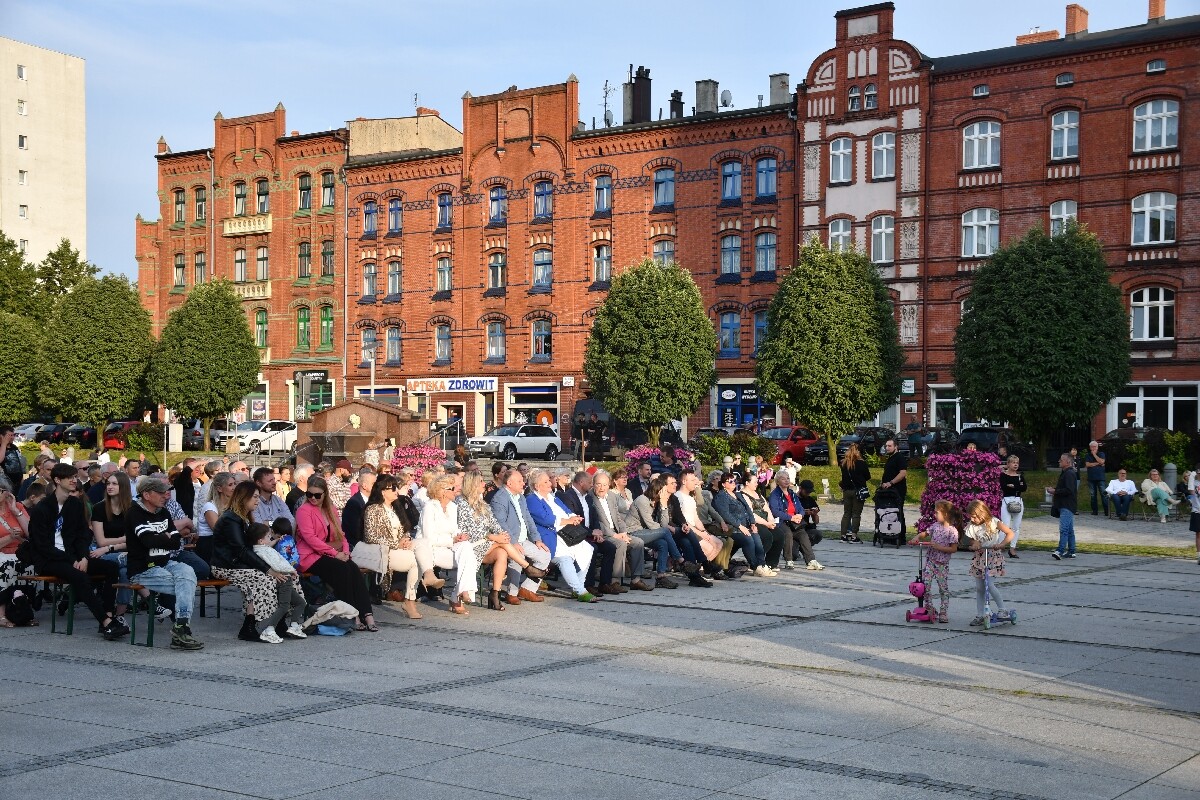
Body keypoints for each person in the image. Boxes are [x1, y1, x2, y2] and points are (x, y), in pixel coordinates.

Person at [26, 463, 127, 639]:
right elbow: (41, 545)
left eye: (75, 477)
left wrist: (83, 557)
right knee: (80, 576)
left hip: (74, 556)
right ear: (57, 480)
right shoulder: (42, 508)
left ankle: (109, 614)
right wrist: (72, 559)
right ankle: (105, 622)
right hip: (50, 560)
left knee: (111, 568)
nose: (75, 480)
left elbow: (83, 535)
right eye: (70, 478)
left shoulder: (74, 504)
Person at [213, 481, 300, 643]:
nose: (257, 501)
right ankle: (251, 626)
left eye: (258, 497)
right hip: (226, 565)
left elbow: (254, 548)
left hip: (241, 564)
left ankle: (280, 622)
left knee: (286, 576)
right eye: (254, 497)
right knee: (264, 579)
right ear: (243, 497)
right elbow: (241, 550)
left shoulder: (244, 517)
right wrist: (268, 569)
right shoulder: (231, 519)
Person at [124, 476, 204, 650]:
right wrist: (166, 537)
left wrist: (163, 537)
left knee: (188, 573)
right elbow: (147, 541)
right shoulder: (134, 513)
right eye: (161, 492)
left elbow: (176, 542)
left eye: (167, 491)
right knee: (185, 585)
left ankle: (180, 625)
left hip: (165, 563)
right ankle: (182, 630)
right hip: (142, 569)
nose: (166, 495)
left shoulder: (164, 512)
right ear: (146, 494)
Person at [295, 476, 378, 630]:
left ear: (325, 494)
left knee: (352, 568)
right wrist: (335, 553)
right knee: (343, 570)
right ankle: (353, 615)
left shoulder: (330, 509)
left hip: (329, 553)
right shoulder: (303, 510)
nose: (313, 498)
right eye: (309, 494)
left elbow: (341, 535)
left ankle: (367, 614)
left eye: (317, 495)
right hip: (310, 556)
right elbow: (310, 538)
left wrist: (345, 552)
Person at [457, 472, 547, 610]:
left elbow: (495, 523)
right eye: (481, 481)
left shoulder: (482, 503)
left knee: (502, 553)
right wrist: (496, 537)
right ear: (472, 484)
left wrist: (502, 534)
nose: (484, 484)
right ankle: (527, 567)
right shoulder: (462, 502)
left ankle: (495, 594)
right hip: (470, 545)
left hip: (486, 544)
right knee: (504, 544)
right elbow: (466, 530)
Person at [526, 469, 597, 602]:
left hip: (566, 533)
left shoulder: (553, 497)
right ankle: (580, 591)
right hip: (550, 536)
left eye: (549, 480)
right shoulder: (532, 499)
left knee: (587, 549)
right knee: (565, 558)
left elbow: (566, 510)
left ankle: (579, 586)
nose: (549, 483)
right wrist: (567, 521)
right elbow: (545, 519)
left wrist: (573, 517)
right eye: (546, 481)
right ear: (537, 486)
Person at [416, 475, 478, 614]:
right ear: (443, 491)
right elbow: (428, 538)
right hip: (430, 550)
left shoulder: (452, 507)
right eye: (452, 488)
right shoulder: (429, 508)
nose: (456, 490)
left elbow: (454, 530)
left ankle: (462, 591)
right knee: (468, 559)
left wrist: (459, 536)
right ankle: (459, 595)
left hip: (448, 546)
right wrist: (452, 540)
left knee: (467, 548)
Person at [490, 468, 553, 603]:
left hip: (523, 539)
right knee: (518, 556)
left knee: (545, 555)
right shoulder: (499, 498)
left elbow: (528, 519)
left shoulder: (520, 497)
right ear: (509, 483)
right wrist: (513, 542)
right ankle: (511, 593)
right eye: (519, 481)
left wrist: (537, 539)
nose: (523, 483)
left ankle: (527, 589)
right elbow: (500, 523)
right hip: (508, 540)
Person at [556, 471, 621, 594]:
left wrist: (598, 532)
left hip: (589, 534)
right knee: (593, 548)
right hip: (575, 535)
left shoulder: (587, 497)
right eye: (590, 482)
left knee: (610, 548)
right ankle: (588, 584)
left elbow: (594, 517)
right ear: (581, 482)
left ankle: (604, 583)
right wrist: (592, 533)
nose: (592, 485)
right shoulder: (568, 497)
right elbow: (573, 521)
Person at [590, 470, 652, 591]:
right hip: (603, 534)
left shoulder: (612, 496)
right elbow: (597, 523)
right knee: (620, 544)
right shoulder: (590, 498)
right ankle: (614, 581)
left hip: (618, 532)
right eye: (598, 484)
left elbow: (618, 518)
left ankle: (636, 580)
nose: (602, 488)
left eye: (605, 485)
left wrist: (623, 532)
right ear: (593, 484)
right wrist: (615, 535)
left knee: (638, 542)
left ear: (609, 485)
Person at [248, 522, 308, 638]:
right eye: (267, 537)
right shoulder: (262, 551)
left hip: (285, 577)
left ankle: (294, 626)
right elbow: (276, 563)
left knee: (301, 602)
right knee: (284, 606)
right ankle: (269, 629)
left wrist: (275, 540)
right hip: (283, 578)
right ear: (261, 541)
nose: (270, 539)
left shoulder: (261, 548)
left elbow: (269, 549)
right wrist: (291, 570)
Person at [963, 499, 1015, 626]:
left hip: (992, 556)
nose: (973, 519)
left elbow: (1010, 533)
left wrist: (1002, 544)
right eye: (971, 517)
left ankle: (1003, 609)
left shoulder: (994, 522)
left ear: (982, 513)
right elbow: (967, 540)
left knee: (990, 585)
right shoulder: (971, 526)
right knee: (980, 588)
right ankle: (981, 614)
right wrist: (973, 544)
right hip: (979, 557)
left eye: (974, 516)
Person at [911, 500, 960, 623]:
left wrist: (939, 547)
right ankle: (929, 607)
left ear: (946, 514)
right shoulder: (935, 526)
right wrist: (917, 537)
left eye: (937, 512)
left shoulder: (952, 531)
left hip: (942, 564)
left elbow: (953, 549)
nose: (934, 514)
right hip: (930, 561)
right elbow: (925, 533)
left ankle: (943, 612)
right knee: (925, 585)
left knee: (943, 588)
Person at [671, 472, 726, 580]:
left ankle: (700, 569)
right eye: (692, 480)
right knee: (709, 547)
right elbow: (683, 521)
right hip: (687, 530)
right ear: (684, 481)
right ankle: (697, 570)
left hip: (696, 529)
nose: (695, 483)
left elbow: (696, 519)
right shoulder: (678, 497)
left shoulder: (690, 498)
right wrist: (700, 533)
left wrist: (704, 532)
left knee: (718, 543)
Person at [711, 472, 768, 576]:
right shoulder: (721, 496)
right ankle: (755, 567)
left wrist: (752, 523)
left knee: (757, 539)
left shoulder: (738, 494)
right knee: (748, 540)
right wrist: (740, 526)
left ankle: (762, 565)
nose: (734, 483)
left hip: (746, 525)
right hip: (733, 527)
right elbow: (726, 515)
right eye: (731, 481)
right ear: (723, 484)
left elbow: (748, 509)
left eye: (735, 481)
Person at [768, 472, 822, 570]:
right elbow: (775, 511)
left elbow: (800, 508)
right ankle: (789, 560)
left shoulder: (792, 493)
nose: (786, 480)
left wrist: (799, 515)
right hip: (781, 521)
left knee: (803, 534)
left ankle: (811, 561)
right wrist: (790, 517)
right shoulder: (774, 495)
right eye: (783, 479)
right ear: (778, 481)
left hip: (795, 522)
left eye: (788, 478)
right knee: (788, 533)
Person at [737, 478, 781, 576]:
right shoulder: (742, 495)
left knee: (779, 534)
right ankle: (757, 565)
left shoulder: (758, 494)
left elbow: (767, 509)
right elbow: (750, 513)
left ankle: (771, 564)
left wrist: (771, 521)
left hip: (765, 521)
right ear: (747, 483)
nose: (757, 484)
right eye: (755, 482)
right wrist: (766, 523)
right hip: (753, 522)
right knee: (767, 536)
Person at [0, 476, 31, 598]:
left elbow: (30, 533)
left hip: (21, 553)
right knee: (6, 565)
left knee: (29, 565)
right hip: (2, 554)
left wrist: (15, 511)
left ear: (7, 492)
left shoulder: (18, 506)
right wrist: (10, 537)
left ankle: (22, 607)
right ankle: (3, 612)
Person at [838, 443, 869, 543]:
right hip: (858, 491)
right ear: (858, 451)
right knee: (856, 514)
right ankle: (854, 536)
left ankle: (843, 535)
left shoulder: (843, 463)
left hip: (847, 491)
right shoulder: (861, 463)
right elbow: (868, 476)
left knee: (847, 513)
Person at [1051, 452, 1078, 560]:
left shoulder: (1069, 474)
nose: (1059, 461)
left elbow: (1069, 490)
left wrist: (1055, 491)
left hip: (1067, 505)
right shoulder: (1065, 473)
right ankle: (1071, 550)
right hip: (1066, 505)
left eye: (1061, 460)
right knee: (1070, 530)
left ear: (1067, 462)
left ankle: (1060, 550)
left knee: (1064, 529)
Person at [999, 455, 1027, 558]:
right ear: (1008, 464)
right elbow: (1004, 487)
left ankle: (1012, 548)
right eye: (1013, 462)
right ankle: (1000, 546)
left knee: (1016, 526)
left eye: (1017, 463)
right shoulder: (1004, 475)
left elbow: (1024, 488)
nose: (1015, 464)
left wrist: (1013, 486)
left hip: (1017, 500)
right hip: (1007, 500)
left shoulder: (1020, 476)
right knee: (1005, 525)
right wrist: (1015, 487)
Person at [879, 437, 908, 536]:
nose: (887, 448)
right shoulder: (891, 458)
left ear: (896, 447)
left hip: (897, 490)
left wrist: (890, 483)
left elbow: (903, 473)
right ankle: (890, 534)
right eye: (886, 446)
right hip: (889, 490)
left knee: (898, 512)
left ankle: (900, 536)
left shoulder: (899, 457)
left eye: (889, 446)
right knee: (889, 513)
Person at [340, 468, 374, 547]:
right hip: (357, 546)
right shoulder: (354, 503)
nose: (377, 486)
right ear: (365, 486)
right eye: (373, 484)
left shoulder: (372, 501)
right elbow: (356, 531)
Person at [1084, 440, 1108, 517]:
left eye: (1095, 446)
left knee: (1104, 494)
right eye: (1092, 446)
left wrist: (1094, 455)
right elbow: (1087, 465)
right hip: (1091, 478)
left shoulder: (1101, 454)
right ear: (1090, 447)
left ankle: (1106, 511)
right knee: (1093, 495)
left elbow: (1102, 461)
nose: (1094, 448)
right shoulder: (1087, 455)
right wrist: (1098, 463)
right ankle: (1095, 511)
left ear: (1097, 447)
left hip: (1101, 478)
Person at [0, 426, 26, 491]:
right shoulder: (1, 447)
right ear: (2, 436)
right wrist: (4, 444)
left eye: (13, 435)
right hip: (4, 483)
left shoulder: (14, 447)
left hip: (18, 482)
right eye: (9, 435)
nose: (12, 437)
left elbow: (19, 462)